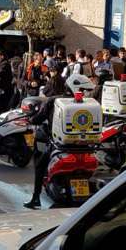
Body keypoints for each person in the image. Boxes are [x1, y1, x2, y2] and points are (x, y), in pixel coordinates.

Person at [24, 74, 96, 209]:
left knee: (39, 165)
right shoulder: (90, 105)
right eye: (85, 90)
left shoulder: (54, 101)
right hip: (85, 147)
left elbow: (38, 118)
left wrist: (32, 119)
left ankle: (35, 198)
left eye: (87, 90)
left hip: (59, 145)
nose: (87, 93)